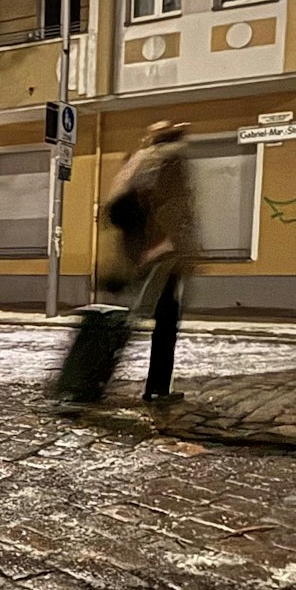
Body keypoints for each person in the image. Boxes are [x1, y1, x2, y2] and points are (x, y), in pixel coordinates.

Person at [57, 120, 199, 403]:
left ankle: (85, 382)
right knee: (158, 324)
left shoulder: (137, 160)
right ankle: (150, 388)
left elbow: (114, 209)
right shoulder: (171, 159)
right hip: (162, 255)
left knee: (126, 320)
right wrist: (170, 244)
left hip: (134, 254)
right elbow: (174, 207)